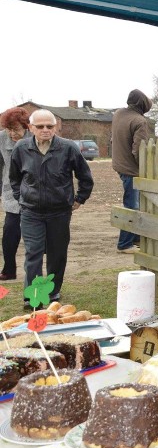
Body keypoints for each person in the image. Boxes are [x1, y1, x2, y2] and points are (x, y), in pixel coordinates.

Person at [10, 109, 94, 309]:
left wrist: (79, 199)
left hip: (59, 212)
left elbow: (85, 176)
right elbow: (14, 178)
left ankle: (52, 292)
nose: (45, 130)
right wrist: (21, 198)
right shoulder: (21, 148)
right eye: (40, 126)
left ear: (55, 127)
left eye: (50, 126)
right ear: (31, 128)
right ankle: (34, 297)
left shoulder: (68, 148)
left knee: (57, 254)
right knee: (33, 253)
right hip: (31, 212)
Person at [111, 89, 152, 254]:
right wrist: (145, 168)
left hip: (120, 164)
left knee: (135, 204)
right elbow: (139, 150)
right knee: (132, 206)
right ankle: (124, 244)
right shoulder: (139, 121)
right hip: (131, 169)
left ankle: (135, 237)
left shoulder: (119, 114)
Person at [0, 107, 30, 280]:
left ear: (25, 127)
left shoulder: (34, 137)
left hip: (33, 192)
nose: (12, 133)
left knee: (37, 236)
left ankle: (38, 273)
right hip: (11, 192)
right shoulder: (1, 138)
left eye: (16, 129)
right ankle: (9, 269)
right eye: (8, 129)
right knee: (10, 231)